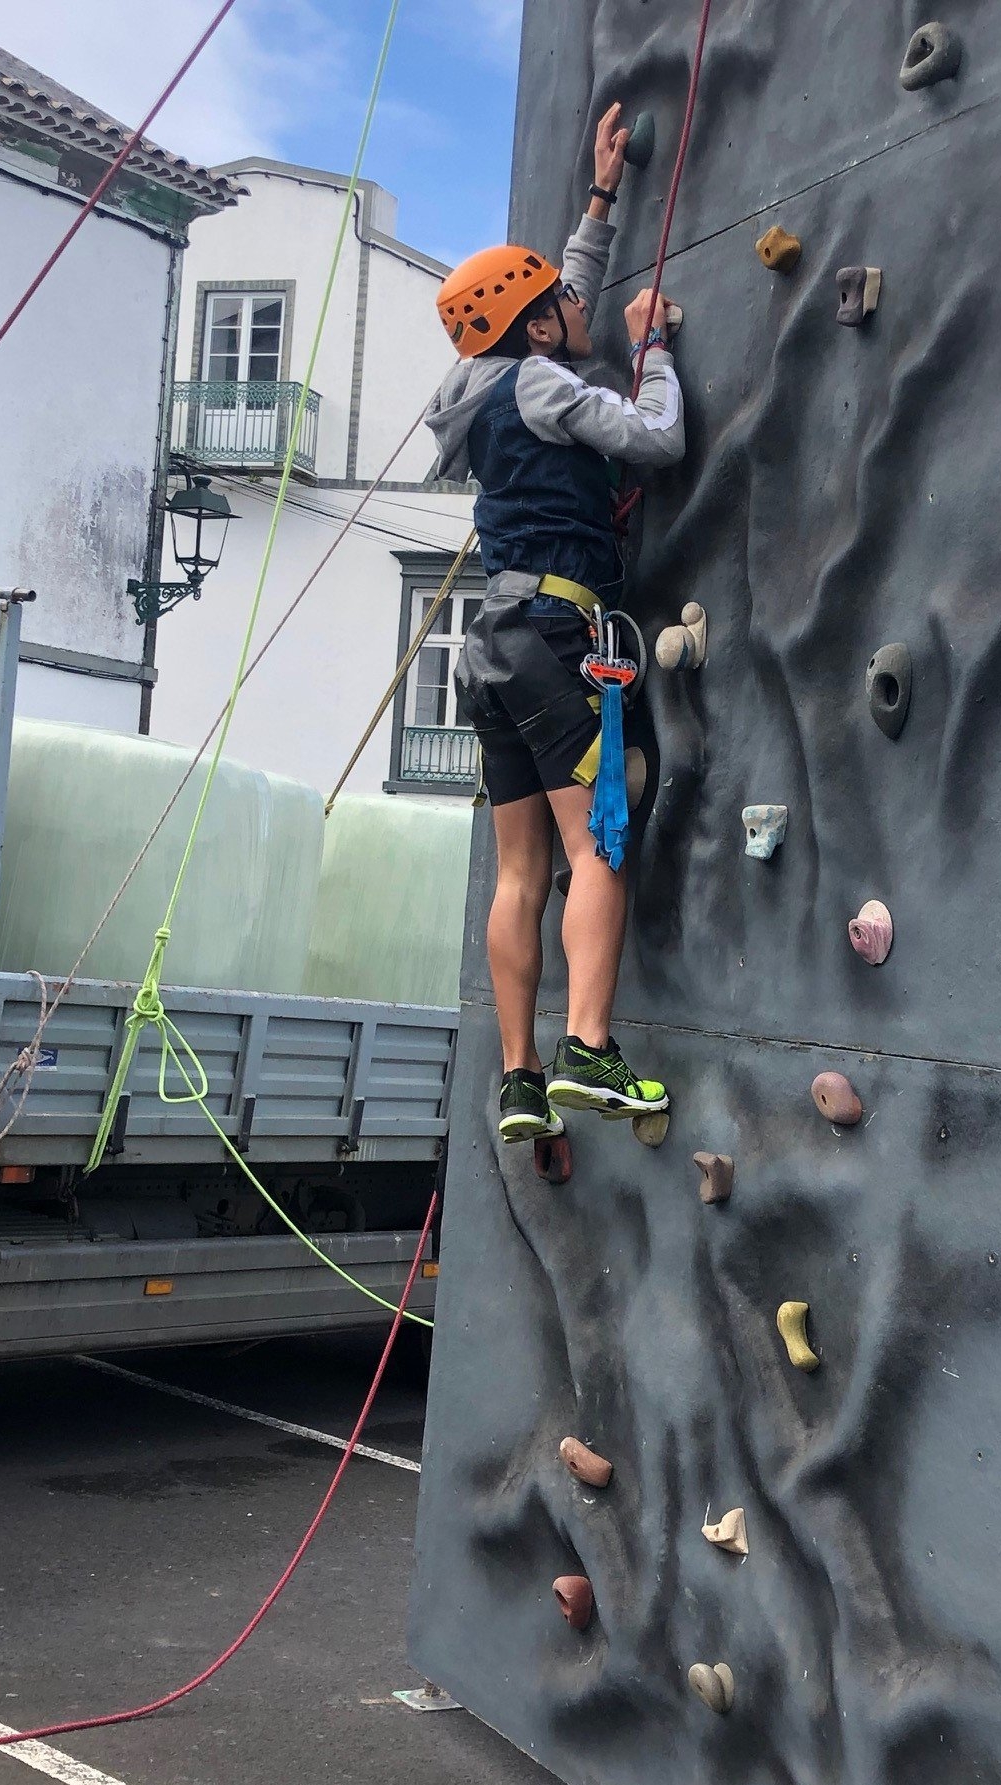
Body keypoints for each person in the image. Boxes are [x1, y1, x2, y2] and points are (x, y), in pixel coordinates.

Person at [425, 104, 685, 1147]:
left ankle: (520, 1080)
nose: (579, 307)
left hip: (491, 648)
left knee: (521, 872)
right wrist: (653, 349)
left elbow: (556, 302)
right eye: (560, 307)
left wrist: (601, 197)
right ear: (535, 329)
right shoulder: (544, 380)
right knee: (598, 843)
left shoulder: (481, 384)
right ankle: (590, 1051)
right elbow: (656, 438)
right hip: (554, 633)